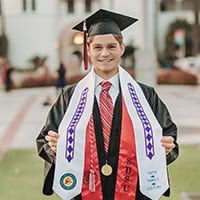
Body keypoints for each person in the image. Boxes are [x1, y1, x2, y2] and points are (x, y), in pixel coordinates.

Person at [36, 9, 178, 200]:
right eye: (97, 47)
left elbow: (169, 139)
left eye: (111, 46)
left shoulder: (145, 95)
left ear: (122, 48)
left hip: (133, 191)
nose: (105, 53)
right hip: (84, 191)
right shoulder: (70, 96)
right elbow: (45, 141)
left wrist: (167, 150)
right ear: (88, 50)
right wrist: (54, 148)